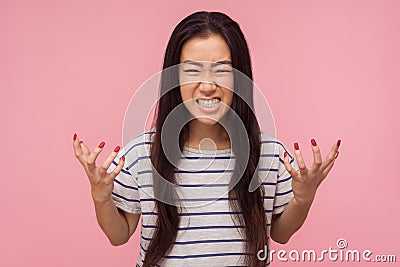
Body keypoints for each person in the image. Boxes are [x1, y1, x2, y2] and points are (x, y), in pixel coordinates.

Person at [73, 11, 340, 267]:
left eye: (222, 70)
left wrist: (303, 198)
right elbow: (118, 235)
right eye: (192, 70)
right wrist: (101, 196)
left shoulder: (269, 153)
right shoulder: (143, 153)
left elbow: (280, 233)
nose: (208, 85)